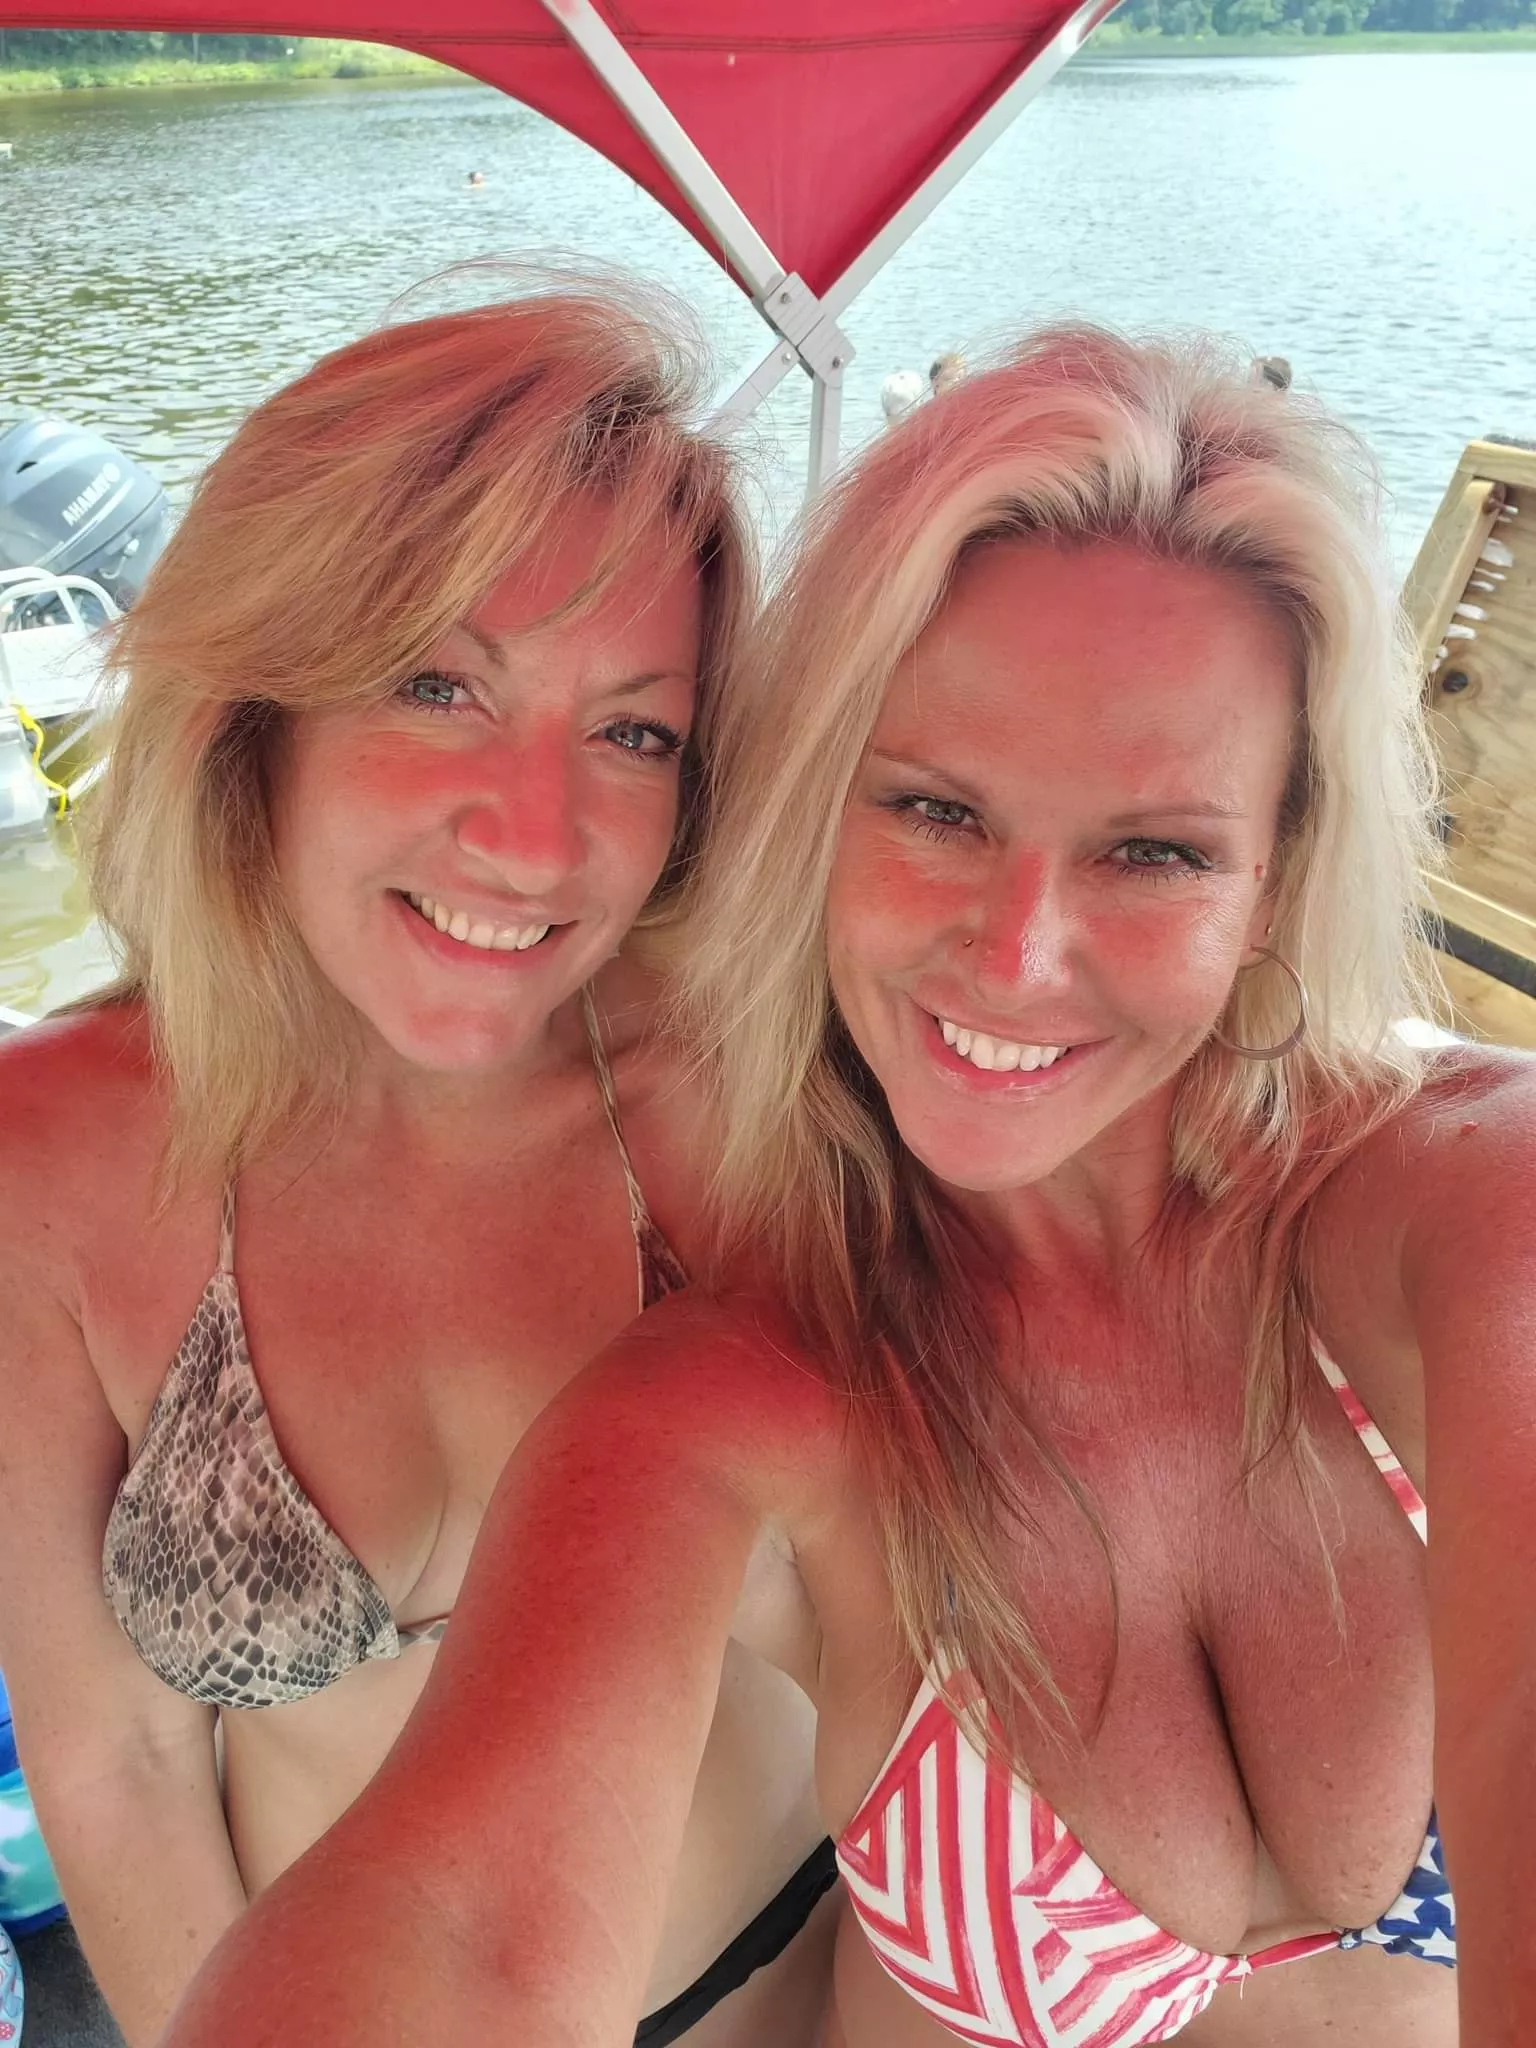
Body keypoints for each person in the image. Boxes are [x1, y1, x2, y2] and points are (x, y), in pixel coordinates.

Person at [159, 327, 1534, 2048]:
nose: (1019, 955)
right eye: (937, 812)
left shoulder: (1466, 1216)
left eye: (1155, 850)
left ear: (1280, 872)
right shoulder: (741, 1390)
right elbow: (461, 1927)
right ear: (810, 808)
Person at [0, 279, 836, 2048]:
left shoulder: (756, 1089)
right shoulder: (47, 1154)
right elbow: (121, 1757)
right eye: (436, 684)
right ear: (253, 709)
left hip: (801, 1975)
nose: (534, 840)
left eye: (634, 732)